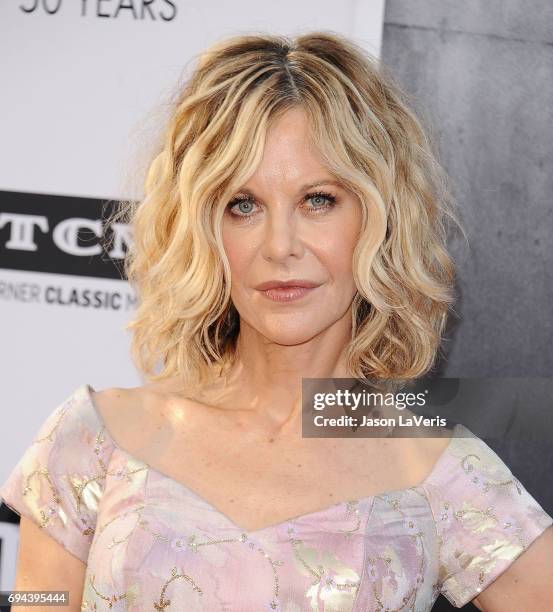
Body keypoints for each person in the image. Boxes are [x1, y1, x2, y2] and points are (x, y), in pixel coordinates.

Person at [1, 31, 552, 612]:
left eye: (318, 200)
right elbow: (35, 598)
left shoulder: (437, 468)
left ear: (380, 217)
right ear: (205, 231)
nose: (280, 245)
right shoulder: (93, 438)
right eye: (243, 205)